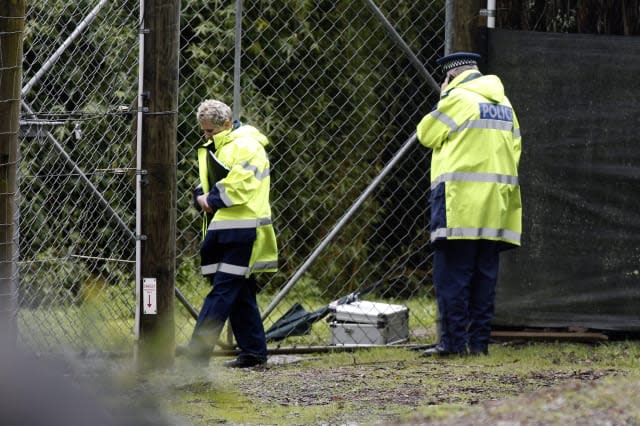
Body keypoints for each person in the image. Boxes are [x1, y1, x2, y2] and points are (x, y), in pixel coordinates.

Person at [416, 52, 522, 357]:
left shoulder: (458, 99)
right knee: (484, 276)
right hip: (496, 206)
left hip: (458, 203)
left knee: (453, 276)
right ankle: (479, 345)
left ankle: (452, 344)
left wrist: (443, 95)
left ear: (451, 76)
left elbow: (426, 134)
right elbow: (516, 150)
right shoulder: (505, 104)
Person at [183, 99, 278, 367]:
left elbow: (239, 186)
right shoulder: (223, 146)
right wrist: (202, 195)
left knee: (222, 293)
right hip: (225, 229)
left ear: (227, 124)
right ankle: (254, 353)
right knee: (239, 291)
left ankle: (195, 359)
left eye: (210, 131)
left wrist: (208, 200)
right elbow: (209, 181)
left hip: (243, 229)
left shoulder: (248, 146)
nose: (206, 136)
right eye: (203, 131)